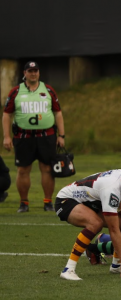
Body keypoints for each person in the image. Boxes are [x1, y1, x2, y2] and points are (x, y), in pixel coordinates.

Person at [54, 162, 121, 281]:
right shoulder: (111, 188)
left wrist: (120, 208)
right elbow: (113, 229)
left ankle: (116, 266)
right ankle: (68, 269)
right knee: (95, 223)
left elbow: (117, 193)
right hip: (66, 200)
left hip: (90, 202)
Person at [2, 61, 66, 213]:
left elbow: (58, 113)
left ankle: (48, 202)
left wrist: (61, 135)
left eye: (35, 70)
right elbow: (6, 114)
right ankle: (24, 203)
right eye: (30, 71)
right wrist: (6, 136)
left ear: (39, 72)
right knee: (23, 170)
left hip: (46, 136)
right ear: (24, 73)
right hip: (23, 136)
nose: (33, 73)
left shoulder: (48, 90)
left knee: (47, 168)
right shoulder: (16, 91)